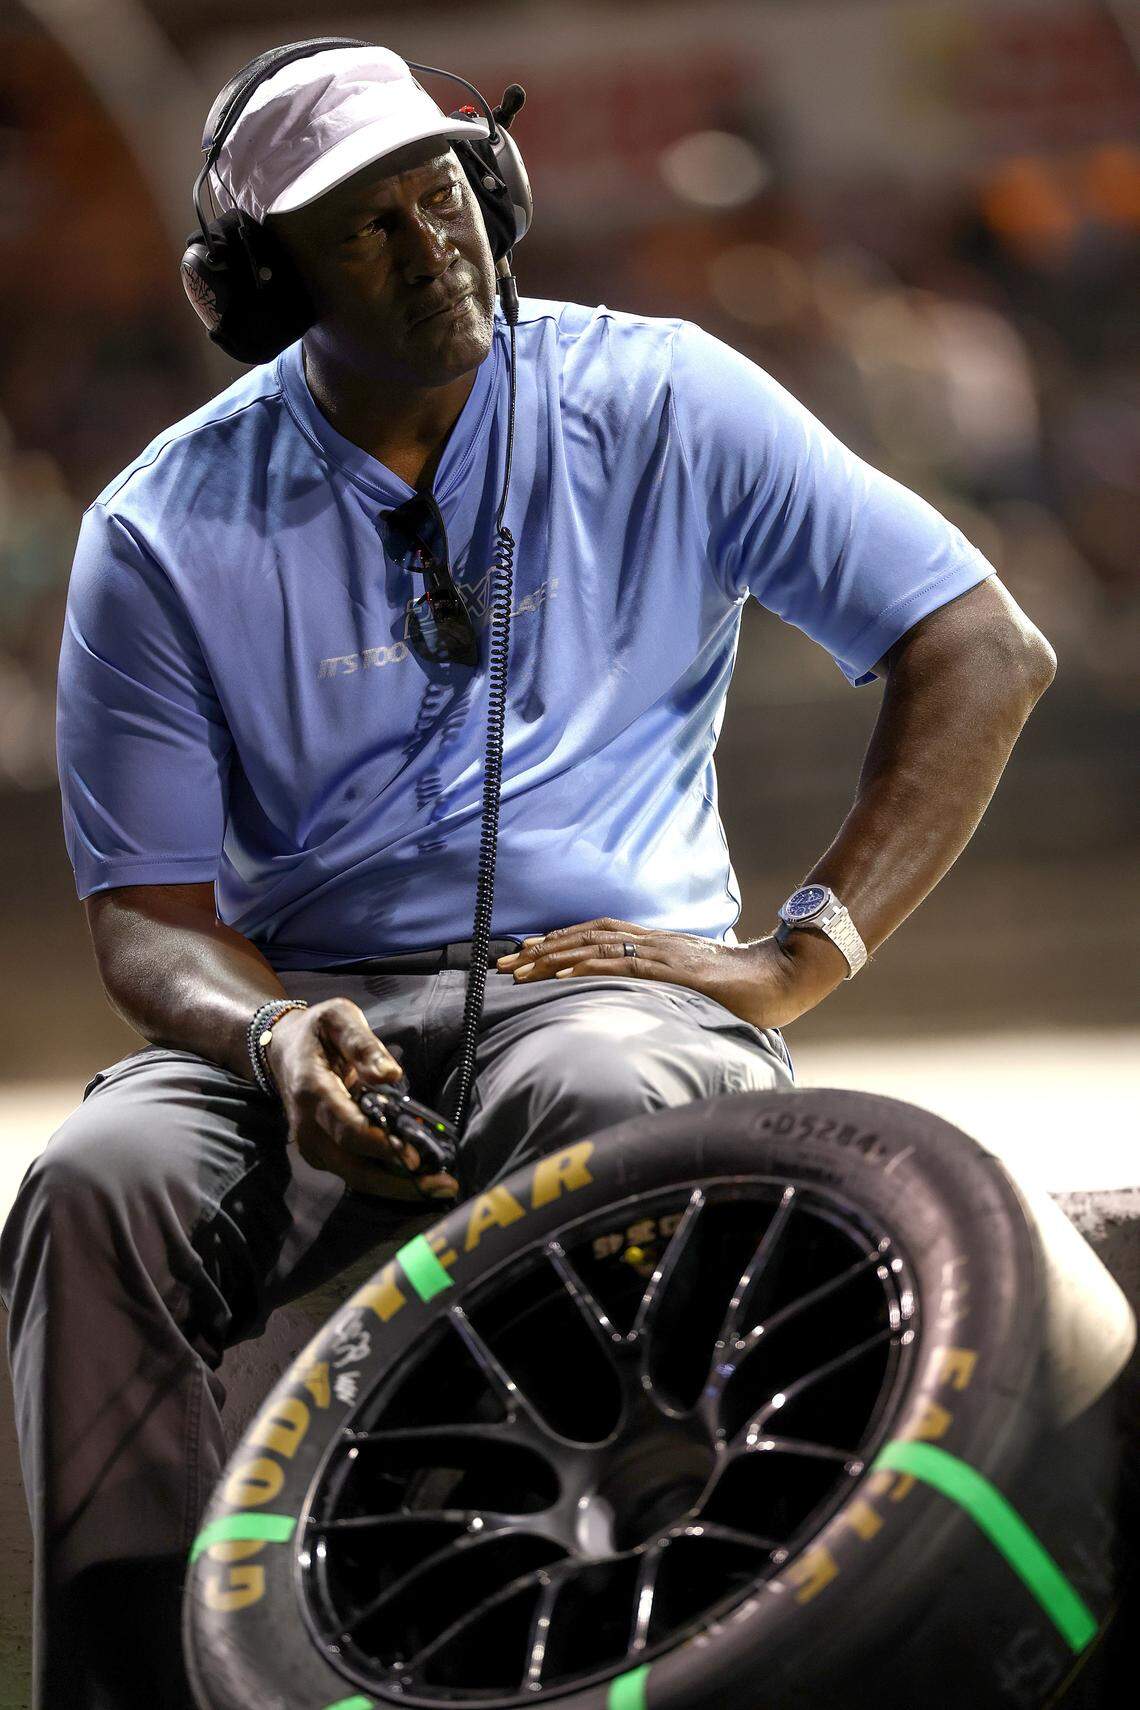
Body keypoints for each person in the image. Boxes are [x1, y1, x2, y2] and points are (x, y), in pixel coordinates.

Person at [0, 40, 1056, 1710]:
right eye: (369, 228)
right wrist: (273, 1041)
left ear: (496, 191)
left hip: (607, 984)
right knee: (100, 1173)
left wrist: (803, 953)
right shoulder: (159, 527)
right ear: (264, 287)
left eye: (446, 193)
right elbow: (147, 912)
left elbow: (982, 645)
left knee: (587, 1079)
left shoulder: (664, 398)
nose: (436, 248)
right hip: (306, 1015)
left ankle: (553, 1661)